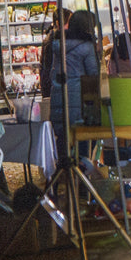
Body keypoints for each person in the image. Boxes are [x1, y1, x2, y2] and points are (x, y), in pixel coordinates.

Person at [43, 10, 100, 158]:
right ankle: (80, 175)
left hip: (58, 99)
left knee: (63, 143)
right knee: (84, 143)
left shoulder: (57, 44)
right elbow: (93, 75)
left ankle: (65, 176)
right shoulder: (87, 47)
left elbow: (51, 72)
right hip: (78, 104)